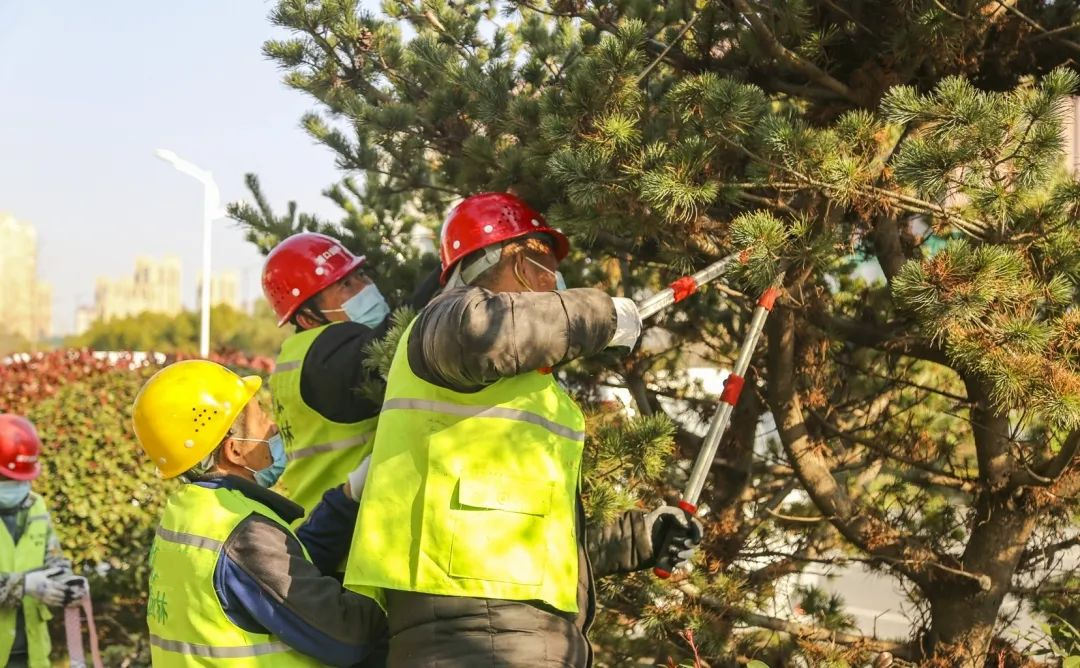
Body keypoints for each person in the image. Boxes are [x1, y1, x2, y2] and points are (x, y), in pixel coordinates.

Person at [345, 192, 702, 667]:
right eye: (545, 267)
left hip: (511, 628)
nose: (554, 285)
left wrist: (638, 539)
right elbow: (484, 332)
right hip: (473, 630)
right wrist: (600, 314)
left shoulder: (526, 391)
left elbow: (527, 535)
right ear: (512, 262)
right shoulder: (446, 322)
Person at [132, 360, 385, 666]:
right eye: (260, 416)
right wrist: (391, 588)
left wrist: (347, 497)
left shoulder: (189, 513)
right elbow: (346, 635)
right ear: (234, 450)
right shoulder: (242, 533)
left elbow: (284, 571)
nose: (272, 426)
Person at [262, 232, 391, 519]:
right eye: (346, 285)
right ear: (308, 318)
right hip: (342, 541)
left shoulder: (296, 354)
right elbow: (387, 342)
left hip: (316, 526)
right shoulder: (327, 355)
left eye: (361, 276)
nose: (364, 289)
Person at [0, 414, 85, 668]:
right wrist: (22, 585)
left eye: (20, 479)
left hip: (32, 655)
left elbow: (53, 557)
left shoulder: (36, 506)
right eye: (6, 479)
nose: (15, 486)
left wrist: (66, 582)